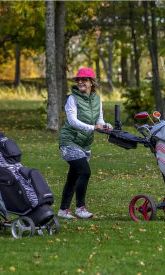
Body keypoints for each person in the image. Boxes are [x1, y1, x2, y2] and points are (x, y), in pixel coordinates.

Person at [58, 67, 113, 219]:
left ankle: (63, 210)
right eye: (78, 80)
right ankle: (80, 208)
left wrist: (105, 126)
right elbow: (72, 121)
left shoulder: (97, 99)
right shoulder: (72, 99)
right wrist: (93, 127)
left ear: (92, 83)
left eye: (84, 80)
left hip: (85, 143)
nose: (80, 82)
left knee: (74, 177)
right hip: (69, 141)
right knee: (85, 172)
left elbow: (99, 120)